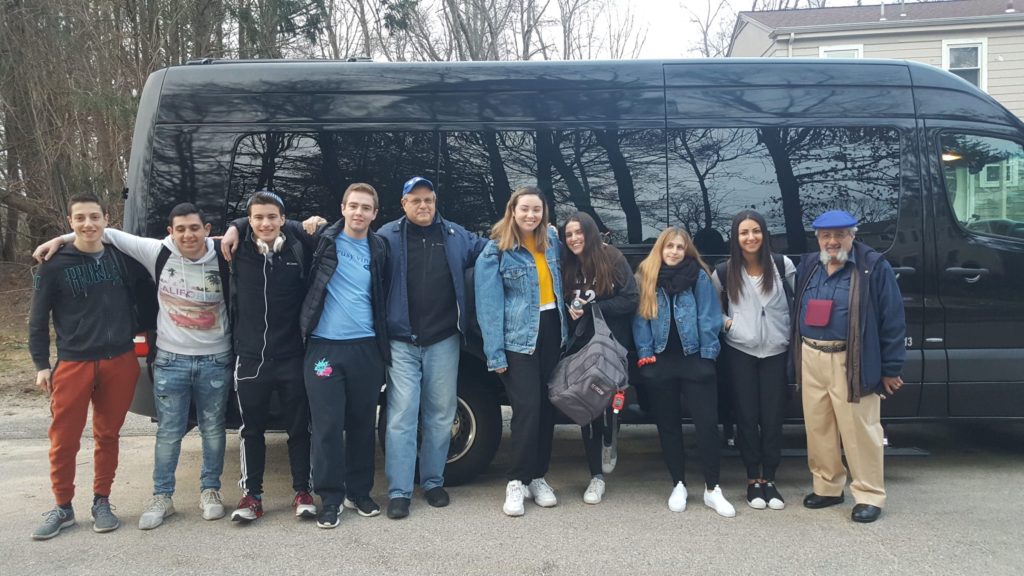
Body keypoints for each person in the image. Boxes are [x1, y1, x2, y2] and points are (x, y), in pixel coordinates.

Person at [33, 201, 233, 531]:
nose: (188, 234)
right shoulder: (157, 251)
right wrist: (61, 239)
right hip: (165, 360)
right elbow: (101, 232)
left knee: (210, 429)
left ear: (208, 230)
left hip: (211, 358)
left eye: (195, 227)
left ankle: (206, 491)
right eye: (180, 229)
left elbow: (261, 228)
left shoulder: (222, 252)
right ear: (170, 232)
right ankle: (154, 498)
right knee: (166, 433)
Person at [27, 195, 145, 539]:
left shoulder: (123, 259)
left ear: (106, 219)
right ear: (70, 221)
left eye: (95, 217)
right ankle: (62, 506)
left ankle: (102, 501)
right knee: (64, 439)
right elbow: (37, 320)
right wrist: (41, 364)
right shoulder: (52, 265)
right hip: (73, 362)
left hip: (119, 360)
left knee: (107, 435)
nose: (88, 224)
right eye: (80, 218)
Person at [376, 176, 486, 520]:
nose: (423, 206)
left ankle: (434, 482)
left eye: (429, 199)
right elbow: (343, 241)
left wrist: (545, 236)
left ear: (436, 201)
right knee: (401, 416)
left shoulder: (456, 236)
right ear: (403, 204)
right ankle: (400, 491)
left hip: (443, 340)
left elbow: (493, 247)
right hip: (401, 341)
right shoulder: (385, 237)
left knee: (441, 415)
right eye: (415, 200)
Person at [794, 210, 906, 524]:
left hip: (851, 359)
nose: (832, 241)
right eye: (826, 236)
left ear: (852, 236)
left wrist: (891, 368)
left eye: (840, 234)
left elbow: (893, 320)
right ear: (817, 238)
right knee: (819, 427)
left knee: (860, 429)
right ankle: (828, 487)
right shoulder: (808, 266)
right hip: (811, 355)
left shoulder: (872, 267)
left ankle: (869, 494)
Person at [219, 191, 317, 523]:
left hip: (292, 355)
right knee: (251, 430)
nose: (265, 223)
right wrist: (233, 226)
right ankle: (251, 496)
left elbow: (326, 232)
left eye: (272, 217)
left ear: (282, 219)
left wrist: (311, 222)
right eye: (258, 217)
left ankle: (303, 491)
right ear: (249, 221)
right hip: (250, 358)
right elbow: (178, 239)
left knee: (299, 428)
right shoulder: (237, 248)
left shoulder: (296, 246)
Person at [299, 182, 390, 529]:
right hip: (324, 348)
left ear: (374, 214)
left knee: (362, 425)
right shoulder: (321, 238)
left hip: (367, 348)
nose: (359, 213)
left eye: (366, 208)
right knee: (327, 426)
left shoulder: (380, 247)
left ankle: (359, 492)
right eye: (353, 206)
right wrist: (235, 227)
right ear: (342, 207)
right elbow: (268, 223)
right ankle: (331, 498)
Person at [475, 186, 568, 517]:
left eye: (537, 210)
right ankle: (516, 480)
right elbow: (488, 306)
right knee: (527, 408)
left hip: (552, 331)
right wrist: (495, 354)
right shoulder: (496, 251)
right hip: (518, 338)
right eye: (525, 209)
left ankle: (537, 477)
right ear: (512, 210)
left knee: (546, 408)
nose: (531, 215)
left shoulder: (551, 242)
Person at [633, 227, 735, 517]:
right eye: (669, 247)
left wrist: (707, 356)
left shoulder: (698, 277)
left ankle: (712, 488)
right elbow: (640, 321)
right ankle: (678, 483)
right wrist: (645, 357)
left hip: (694, 359)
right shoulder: (646, 278)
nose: (674, 252)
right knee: (668, 426)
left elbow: (709, 315)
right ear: (660, 250)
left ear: (687, 250)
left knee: (706, 424)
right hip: (661, 362)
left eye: (680, 247)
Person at [711, 210, 795, 511]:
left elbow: (798, 302)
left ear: (764, 234)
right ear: (736, 237)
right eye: (744, 232)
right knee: (746, 415)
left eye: (756, 231)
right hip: (740, 351)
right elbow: (711, 309)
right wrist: (725, 322)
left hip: (776, 349)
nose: (750, 237)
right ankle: (752, 479)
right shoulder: (723, 271)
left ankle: (770, 478)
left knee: (772, 416)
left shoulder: (783, 266)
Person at [560, 212, 637, 505]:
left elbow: (630, 298)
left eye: (579, 232)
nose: (574, 239)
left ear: (591, 233)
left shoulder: (612, 258)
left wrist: (595, 308)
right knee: (585, 410)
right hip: (580, 347)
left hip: (609, 348)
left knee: (608, 411)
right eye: (569, 234)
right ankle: (596, 477)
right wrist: (571, 308)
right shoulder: (566, 264)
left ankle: (609, 440)